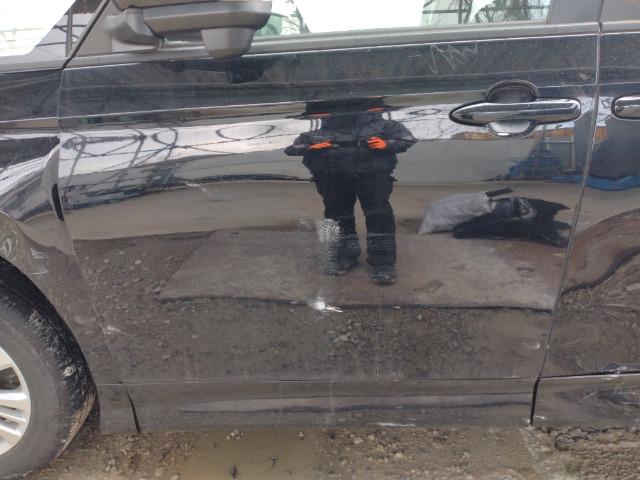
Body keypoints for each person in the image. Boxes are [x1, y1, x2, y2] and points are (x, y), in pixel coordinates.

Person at [285, 98, 417, 285]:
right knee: (335, 215)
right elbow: (291, 149)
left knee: (379, 215)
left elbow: (406, 139)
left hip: (373, 174)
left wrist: (387, 144)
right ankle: (342, 256)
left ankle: (383, 262)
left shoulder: (385, 125)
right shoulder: (316, 130)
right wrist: (310, 148)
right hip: (331, 175)